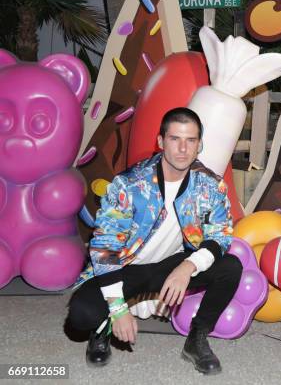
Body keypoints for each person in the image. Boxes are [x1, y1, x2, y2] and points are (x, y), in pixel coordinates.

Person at [68, 107, 242, 375]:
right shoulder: (129, 184)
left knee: (230, 267)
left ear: (200, 145)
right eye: (175, 139)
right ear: (161, 142)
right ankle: (100, 332)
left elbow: (220, 235)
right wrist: (117, 309)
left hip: (170, 266)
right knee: (81, 314)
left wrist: (188, 267)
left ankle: (196, 339)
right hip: (124, 268)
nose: (183, 149)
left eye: (191, 140)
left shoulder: (209, 184)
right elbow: (105, 247)